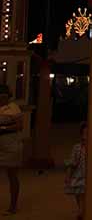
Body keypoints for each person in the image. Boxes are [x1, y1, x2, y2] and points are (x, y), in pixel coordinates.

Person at [0, 85, 23, 215]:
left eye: (4, 96)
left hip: (11, 145)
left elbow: (20, 125)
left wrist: (3, 128)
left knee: (12, 175)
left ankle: (13, 206)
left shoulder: (13, 108)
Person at [64, 123, 87, 220]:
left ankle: (81, 212)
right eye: (85, 133)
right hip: (79, 175)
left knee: (83, 196)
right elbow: (72, 163)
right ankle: (81, 210)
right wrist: (68, 176)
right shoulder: (77, 148)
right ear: (81, 135)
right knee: (79, 195)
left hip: (88, 177)